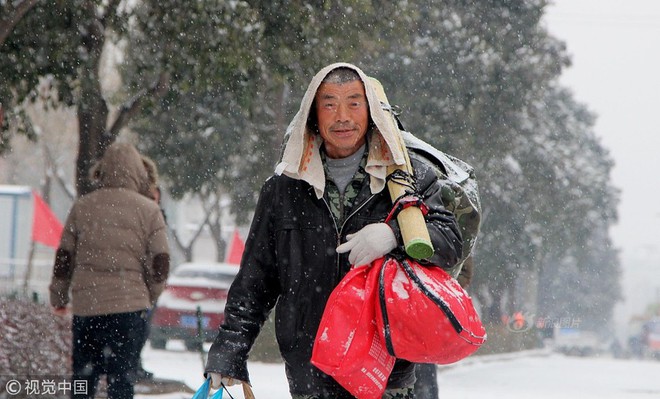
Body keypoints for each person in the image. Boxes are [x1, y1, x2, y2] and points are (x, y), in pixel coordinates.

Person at [204, 63, 463, 399]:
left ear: (370, 112)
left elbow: (451, 240)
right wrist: (229, 351)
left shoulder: (408, 178)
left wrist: (393, 237)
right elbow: (255, 279)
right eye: (330, 104)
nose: (343, 116)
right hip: (310, 368)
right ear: (314, 114)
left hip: (385, 372)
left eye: (354, 103)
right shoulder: (284, 189)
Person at [50, 142, 170, 399]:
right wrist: (148, 295)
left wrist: (58, 298)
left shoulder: (82, 207)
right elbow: (160, 263)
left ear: (101, 171)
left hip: (87, 309)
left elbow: (64, 258)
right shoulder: (149, 210)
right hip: (129, 311)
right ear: (139, 173)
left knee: (83, 382)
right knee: (122, 383)